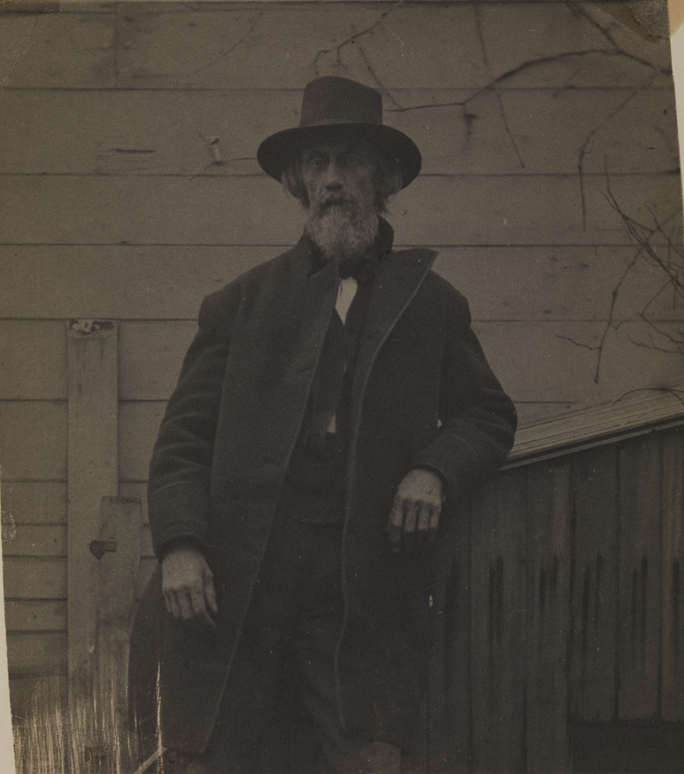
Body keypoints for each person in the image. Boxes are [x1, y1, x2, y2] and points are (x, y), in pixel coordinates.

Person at [128, 76, 517, 774]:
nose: (333, 180)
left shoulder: (433, 304)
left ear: (385, 176)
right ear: (296, 183)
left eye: (350, 162)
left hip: (356, 597)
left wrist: (434, 468)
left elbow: (487, 413)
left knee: (368, 761)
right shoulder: (238, 305)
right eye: (317, 165)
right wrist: (180, 545)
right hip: (239, 593)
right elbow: (182, 443)